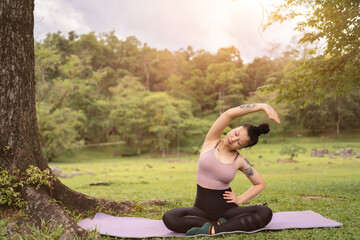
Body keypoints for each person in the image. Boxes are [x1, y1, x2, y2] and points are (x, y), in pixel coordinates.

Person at [162, 103, 281, 236]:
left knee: (264, 213)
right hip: (201, 210)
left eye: (239, 142)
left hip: (227, 210)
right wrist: (261, 106)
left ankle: (213, 230)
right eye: (236, 133)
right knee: (170, 217)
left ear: (242, 147)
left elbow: (260, 183)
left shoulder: (239, 160)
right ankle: (220, 225)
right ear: (235, 128)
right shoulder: (211, 141)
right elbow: (228, 114)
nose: (233, 139)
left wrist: (240, 199)